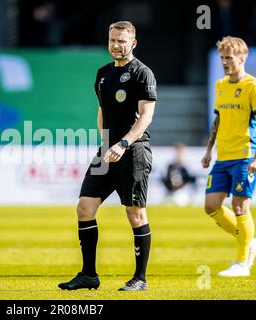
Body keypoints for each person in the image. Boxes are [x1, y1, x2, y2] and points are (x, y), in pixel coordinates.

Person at [58, 21, 157, 291]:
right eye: (112, 39)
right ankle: (88, 275)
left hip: (133, 151)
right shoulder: (102, 74)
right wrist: (105, 145)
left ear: (133, 43)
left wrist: (123, 143)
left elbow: (146, 116)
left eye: (122, 41)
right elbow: (102, 112)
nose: (116, 45)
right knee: (84, 208)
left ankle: (140, 279)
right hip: (107, 151)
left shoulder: (142, 73)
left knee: (135, 214)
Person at [202, 36, 256, 277]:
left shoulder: (254, 87)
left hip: (245, 156)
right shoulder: (220, 85)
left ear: (242, 58)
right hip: (223, 157)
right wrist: (209, 150)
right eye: (222, 58)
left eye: (229, 58)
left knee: (239, 206)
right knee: (211, 207)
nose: (224, 62)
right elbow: (218, 119)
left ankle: (242, 263)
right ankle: (249, 241)